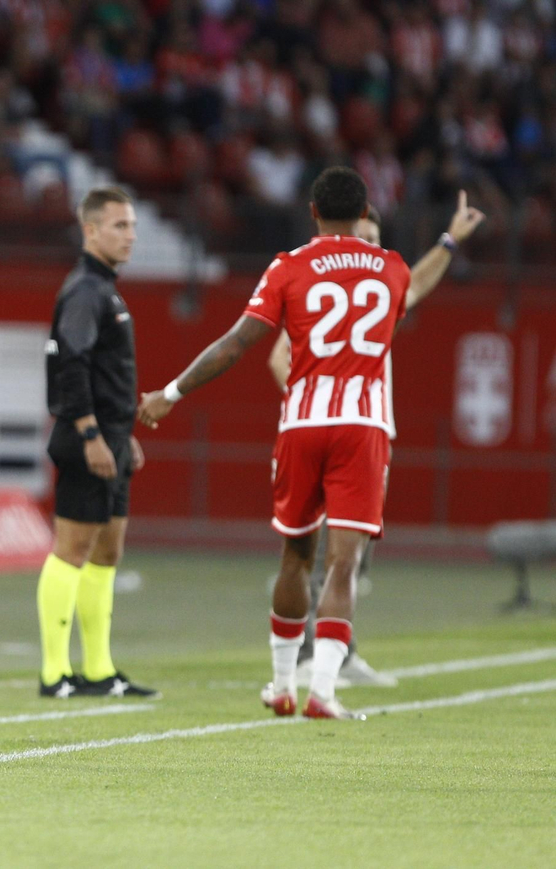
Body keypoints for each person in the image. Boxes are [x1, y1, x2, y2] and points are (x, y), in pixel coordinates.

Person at [139, 168, 411, 721]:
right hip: (363, 423)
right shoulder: (393, 269)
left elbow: (239, 342)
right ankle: (324, 693)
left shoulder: (289, 266)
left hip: (303, 422)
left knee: (295, 554)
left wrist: (171, 391)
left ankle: (283, 686)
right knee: (344, 564)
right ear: (365, 215)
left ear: (312, 211)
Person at [265, 193, 485, 689]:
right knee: (316, 554)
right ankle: (306, 659)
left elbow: (417, 285)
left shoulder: (381, 287)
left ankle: (340, 654)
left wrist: (449, 241)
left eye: (373, 242)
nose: (364, 249)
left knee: (351, 556)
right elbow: (279, 357)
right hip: (329, 430)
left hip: (363, 432)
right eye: (358, 237)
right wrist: (321, 402)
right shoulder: (318, 291)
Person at [38, 187, 157, 700]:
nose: (130, 235)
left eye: (132, 225)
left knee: (108, 549)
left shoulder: (105, 289)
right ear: (90, 230)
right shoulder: (86, 290)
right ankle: (54, 673)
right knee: (73, 549)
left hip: (111, 436)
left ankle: (100, 669)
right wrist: (90, 433)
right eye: (119, 226)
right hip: (87, 437)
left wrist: (120, 434)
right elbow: (72, 363)